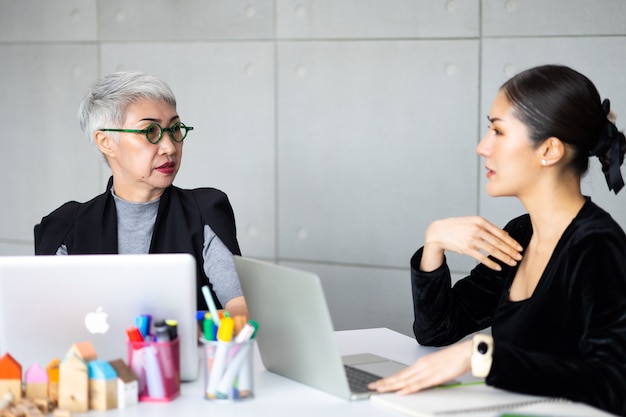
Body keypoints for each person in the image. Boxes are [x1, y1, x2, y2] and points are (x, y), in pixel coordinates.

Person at [368, 65, 626, 416]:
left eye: (498, 131)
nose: (482, 147)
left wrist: (482, 355)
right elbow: (437, 331)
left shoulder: (597, 247)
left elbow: (612, 384)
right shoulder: (522, 233)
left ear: (549, 150)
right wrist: (435, 243)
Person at [35, 71, 248, 318]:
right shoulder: (64, 227)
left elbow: (240, 309)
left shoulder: (205, 212)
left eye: (175, 129)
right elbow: (50, 324)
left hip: (186, 356)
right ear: (106, 142)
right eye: (151, 132)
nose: (169, 147)